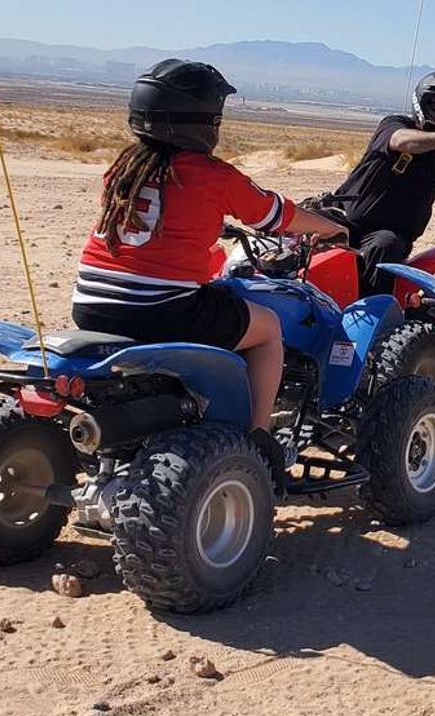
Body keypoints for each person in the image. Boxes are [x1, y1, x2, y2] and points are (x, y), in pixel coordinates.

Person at [72, 59, 346, 455]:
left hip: (91, 303)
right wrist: (328, 227)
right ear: (202, 120)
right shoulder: (212, 174)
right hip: (160, 308)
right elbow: (277, 216)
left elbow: (157, 223)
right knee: (268, 327)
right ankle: (258, 437)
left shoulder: (124, 166)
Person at [313, 72, 435, 294]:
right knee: (295, 228)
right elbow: (399, 141)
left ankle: (373, 313)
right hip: (342, 217)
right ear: (422, 105)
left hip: (387, 236)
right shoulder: (395, 125)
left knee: (385, 246)